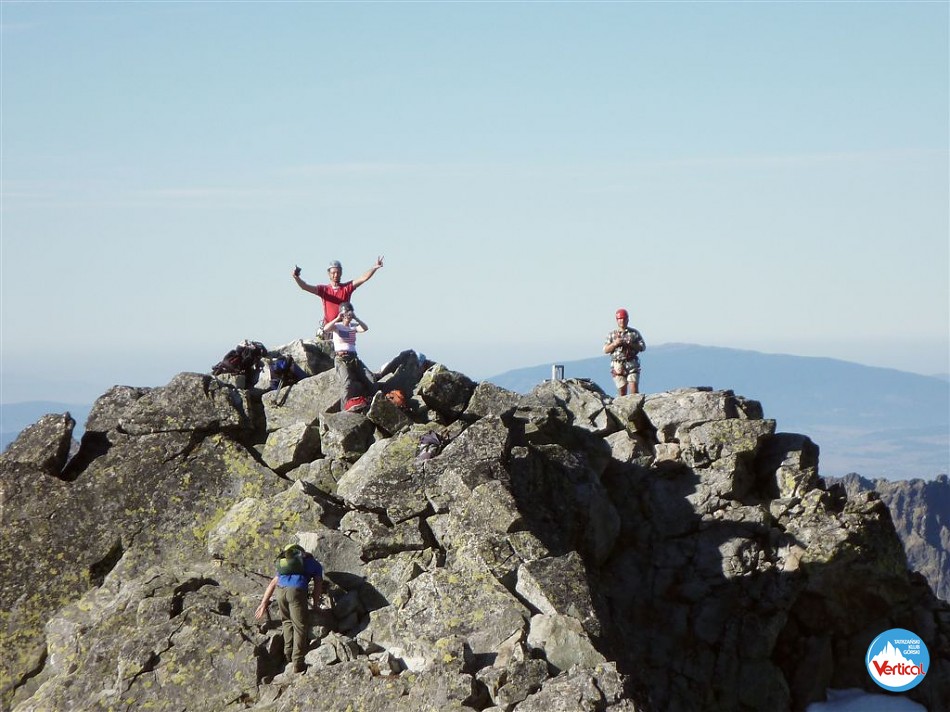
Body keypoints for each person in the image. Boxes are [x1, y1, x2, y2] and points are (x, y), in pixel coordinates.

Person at [254, 544, 324, 674]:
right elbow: (318, 585)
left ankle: (288, 654)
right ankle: (298, 662)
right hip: (296, 591)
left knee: (286, 622)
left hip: (280, 592)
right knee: (300, 626)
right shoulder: (314, 564)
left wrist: (264, 603)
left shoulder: (286, 564)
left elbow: (272, 583)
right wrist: (315, 604)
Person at [292, 256, 384, 336]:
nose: (336, 275)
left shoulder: (347, 288)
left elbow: (363, 278)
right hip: (329, 328)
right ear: (329, 274)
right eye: (333, 273)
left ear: (341, 273)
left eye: (338, 272)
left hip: (343, 328)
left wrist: (374, 268)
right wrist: (297, 278)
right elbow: (304, 286)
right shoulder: (323, 290)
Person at [323, 302, 375, 411]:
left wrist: (356, 318)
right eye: (345, 314)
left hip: (353, 358)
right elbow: (326, 329)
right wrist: (337, 318)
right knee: (347, 383)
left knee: (370, 379)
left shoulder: (353, 327)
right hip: (341, 358)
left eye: (349, 313)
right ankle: (344, 410)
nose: (347, 316)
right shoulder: (337, 327)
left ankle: (372, 403)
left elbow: (365, 328)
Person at [603, 308, 646, 396]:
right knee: (622, 390)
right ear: (617, 320)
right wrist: (614, 344)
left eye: (624, 318)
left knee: (634, 389)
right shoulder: (612, 334)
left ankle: (636, 408)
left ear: (627, 320)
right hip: (618, 364)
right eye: (620, 319)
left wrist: (631, 344)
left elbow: (642, 347)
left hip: (632, 363)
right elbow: (605, 350)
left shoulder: (634, 333)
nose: (622, 321)